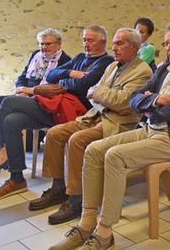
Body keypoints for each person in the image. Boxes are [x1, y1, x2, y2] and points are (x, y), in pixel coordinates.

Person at [47, 21, 170, 250]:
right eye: (166, 43)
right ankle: (86, 224)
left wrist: (150, 104)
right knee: (94, 149)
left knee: (114, 156)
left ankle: (104, 233)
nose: (169, 48)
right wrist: (158, 100)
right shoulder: (165, 69)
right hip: (149, 129)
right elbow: (134, 100)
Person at [0, 26, 113, 200]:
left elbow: (82, 85)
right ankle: (17, 179)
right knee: (12, 120)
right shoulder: (80, 57)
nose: (86, 44)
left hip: (74, 112)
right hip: (55, 106)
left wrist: (64, 82)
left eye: (90, 40)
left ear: (103, 41)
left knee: (8, 102)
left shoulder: (105, 62)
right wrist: (71, 73)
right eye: (84, 40)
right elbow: (51, 76)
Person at [28, 28, 152, 225]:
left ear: (134, 47)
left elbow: (121, 102)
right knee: (55, 133)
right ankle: (58, 187)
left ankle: (77, 198)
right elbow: (91, 94)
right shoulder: (112, 66)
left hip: (118, 123)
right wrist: (104, 96)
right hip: (95, 115)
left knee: (78, 140)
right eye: (114, 43)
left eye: (120, 44)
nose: (114, 48)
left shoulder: (143, 70)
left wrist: (101, 94)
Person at [0, 28, 71, 163]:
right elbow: (22, 77)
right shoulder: (36, 55)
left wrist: (29, 91)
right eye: (41, 44)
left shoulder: (66, 61)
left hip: (42, 101)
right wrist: (21, 89)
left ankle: (1, 154)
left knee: (9, 108)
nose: (44, 47)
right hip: (24, 95)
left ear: (59, 44)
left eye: (48, 44)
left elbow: (54, 89)